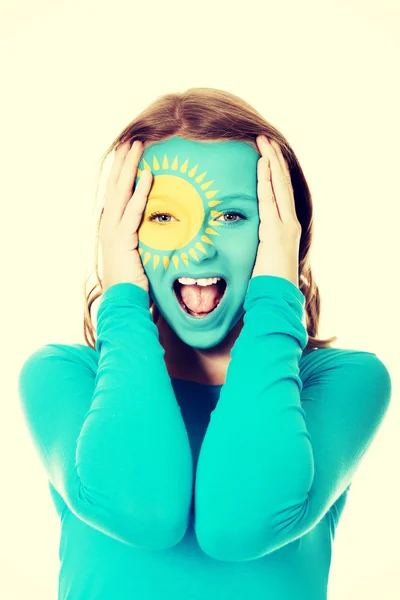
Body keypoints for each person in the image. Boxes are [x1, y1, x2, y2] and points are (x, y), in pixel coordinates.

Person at [18, 88, 392, 600]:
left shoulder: (342, 381)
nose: (201, 245)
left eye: (233, 216)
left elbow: (242, 524)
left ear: (280, 235)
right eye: (165, 217)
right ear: (121, 235)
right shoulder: (62, 377)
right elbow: (141, 511)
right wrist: (122, 301)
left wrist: (276, 298)